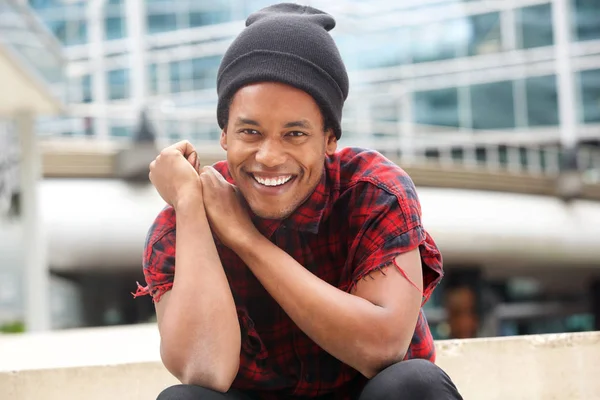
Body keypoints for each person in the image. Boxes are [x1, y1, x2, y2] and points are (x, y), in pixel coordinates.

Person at [134, 3, 463, 399]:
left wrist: (246, 239)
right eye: (251, 132)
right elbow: (205, 371)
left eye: (294, 134)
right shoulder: (179, 224)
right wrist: (189, 206)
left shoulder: (373, 192)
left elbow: (383, 349)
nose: (269, 156)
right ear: (225, 135)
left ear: (329, 139)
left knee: (411, 385)